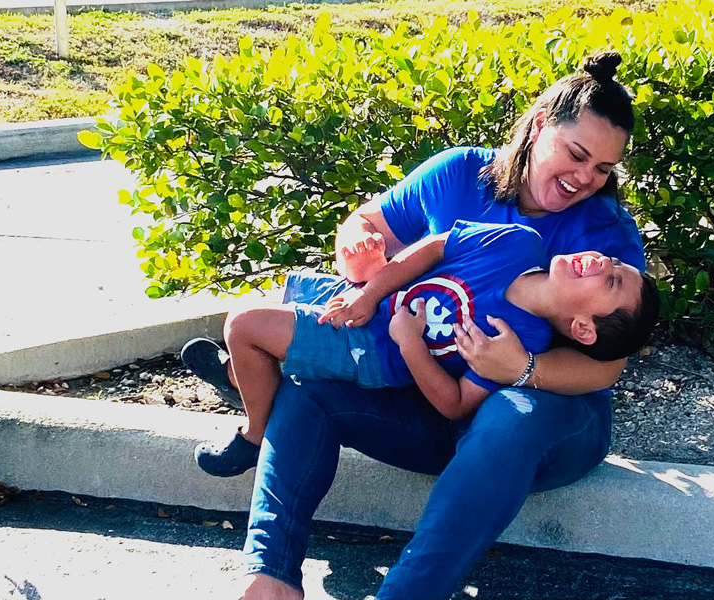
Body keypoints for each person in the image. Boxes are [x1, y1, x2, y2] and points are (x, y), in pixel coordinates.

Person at [208, 50, 645, 598]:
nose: (585, 179)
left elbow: (607, 368)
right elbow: (369, 229)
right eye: (577, 155)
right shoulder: (463, 172)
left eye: (603, 169)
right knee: (309, 391)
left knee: (509, 413)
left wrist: (523, 367)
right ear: (538, 127)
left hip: (539, 424)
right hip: (430, 392)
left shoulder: (605, 239)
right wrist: (357, 256)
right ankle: (269, 577)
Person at [184, 220, 658, 477]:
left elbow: (454, 406)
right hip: (370, 301)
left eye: (612, 278)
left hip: (371, 348)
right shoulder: (519, 243)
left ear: (584, 330)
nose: (602, 260)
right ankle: (240, 379)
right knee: (268, 320)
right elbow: (434, 249)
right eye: (614, 262)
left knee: (244, 325)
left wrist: (409, 344)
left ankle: (254, 434)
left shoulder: (516, 343)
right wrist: (370, 287)